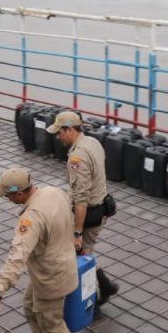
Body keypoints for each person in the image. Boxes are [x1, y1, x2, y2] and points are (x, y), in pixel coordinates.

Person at [0, 167, 84, 333]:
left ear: (19, 193)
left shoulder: (31, 219)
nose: (7, 199)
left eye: (8, 195)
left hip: (52, 277)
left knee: (51, 321)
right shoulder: (53, 192)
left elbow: (17, 257)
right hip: (56, 267)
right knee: (30, 306)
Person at [46, 110, 119, 306]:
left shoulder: (77, 157)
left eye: (59, 132)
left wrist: (77, 232)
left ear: (69, 129)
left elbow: (81, 199)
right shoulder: (93, 142)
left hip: (89, 213)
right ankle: (105, 286)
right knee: (86, 252)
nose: (58, 137)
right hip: (102, 206)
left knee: (80, 257)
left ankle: (92, 302)